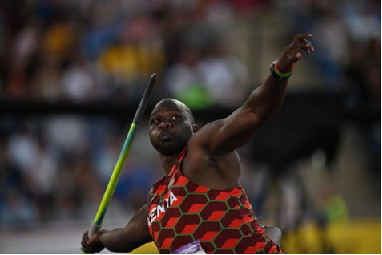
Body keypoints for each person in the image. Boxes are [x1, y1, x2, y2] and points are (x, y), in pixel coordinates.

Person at [81, 34, 314, 254]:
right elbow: (125, 237)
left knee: (270, 233)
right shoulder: (156, 203)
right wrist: (99, 238)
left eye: (175, 118)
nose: (164, 125)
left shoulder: (204, 149)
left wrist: (279, 72)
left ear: (194, 129)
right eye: (156, 121)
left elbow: (254, 111)